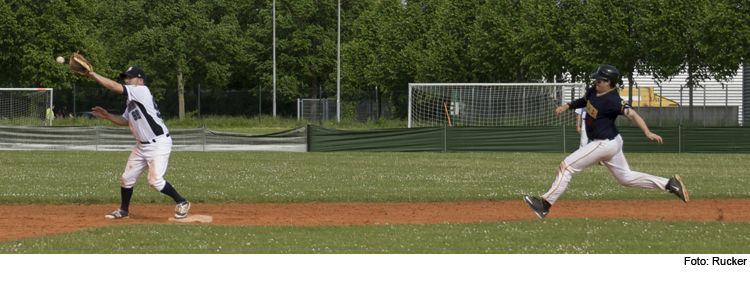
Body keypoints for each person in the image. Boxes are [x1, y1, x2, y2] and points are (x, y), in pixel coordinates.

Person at [523, 65, 688, 219]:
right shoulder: (593, 91)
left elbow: (632, 114)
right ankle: (669, 184)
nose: (596, 82)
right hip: (611, 142)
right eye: (596, 79)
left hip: (604, 144)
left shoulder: (613, 100)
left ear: (608, 82)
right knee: (626, 178)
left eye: (599, 80)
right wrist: (566, 106)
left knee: (566, 166)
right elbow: (583, 101)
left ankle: (544, 205)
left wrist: (647, 131)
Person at [87, 66, 191, 219]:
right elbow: (124, 120)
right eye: (126, 78)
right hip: (141, 145)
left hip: (158, 143)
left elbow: (114, 87)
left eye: (130, 77)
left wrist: (92, 74)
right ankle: (124, 210)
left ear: (140, 80)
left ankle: (182, 202)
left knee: (154, 181)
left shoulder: (141, 91)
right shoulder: (132, 101)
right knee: (126, 179)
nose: (127, 80)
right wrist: (108, 115)